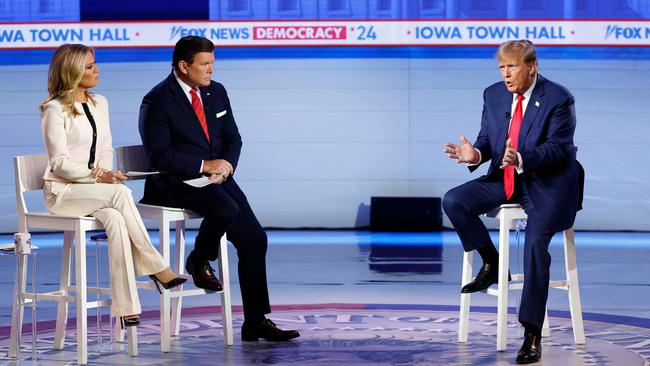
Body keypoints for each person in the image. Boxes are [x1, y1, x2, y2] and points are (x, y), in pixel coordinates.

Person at [138, 36, 299, 342]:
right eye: (205, 64)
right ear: (184, 66)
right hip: (173, 182)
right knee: (225, 209)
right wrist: (204, 165)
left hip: (217, 179)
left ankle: (255, 321)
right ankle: (198, 258)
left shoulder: (217, 91)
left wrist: (225, 165)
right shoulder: (157, 100)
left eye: (213, 63)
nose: (211, 69)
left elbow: (233, 138)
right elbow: (159, 156)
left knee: (254, 239)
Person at [442, 40, 580, 364]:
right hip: (505, 180)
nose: (506, 74)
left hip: (547, 185)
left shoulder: (559, 98)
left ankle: (531, 333)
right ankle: (494, 263)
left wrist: (521, 157)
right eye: (502, 68)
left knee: (534, 245)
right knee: (454, 200)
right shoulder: (493, 94)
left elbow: (558, 149)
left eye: (512, 67)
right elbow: (488, 140)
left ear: (532, 67)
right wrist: (474, 154)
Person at [40, 44, 186, 328]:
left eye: (95, 64)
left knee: (117, 220)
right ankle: (158, 267)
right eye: (90, 66)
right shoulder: (54, 110)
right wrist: (99, 177)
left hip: (94, 192)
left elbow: (105, 147)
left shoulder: (100, 102)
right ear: (71, 72)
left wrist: (107, 171)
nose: (97, 70)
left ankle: (126, 307)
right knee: (119, 193)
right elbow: (58, 164)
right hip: (62, 193)